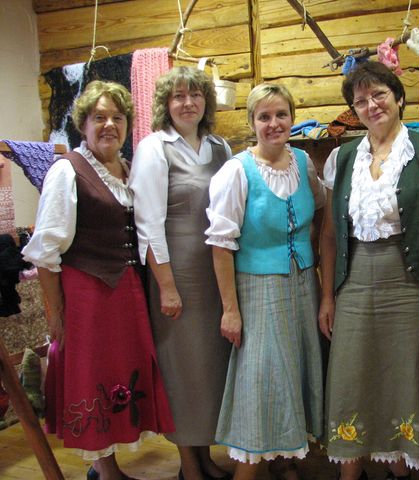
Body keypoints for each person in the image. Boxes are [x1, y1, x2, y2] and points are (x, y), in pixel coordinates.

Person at [22, 80, 174, 480]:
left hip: (126, 292)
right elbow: (46, 251)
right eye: (99, 117)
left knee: (118, 375)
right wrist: (56, 314)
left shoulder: (127, 169)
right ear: (83, 124)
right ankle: (106, 471)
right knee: (93, 376)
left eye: (118, 118)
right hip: (87, 294)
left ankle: (105, 467)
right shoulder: (66, 170)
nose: (109, 125)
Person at [318, 60, 419, 480]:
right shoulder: (341, 159)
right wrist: (327, 297)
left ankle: (401, 471)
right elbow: (329, 235)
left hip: (412, 284)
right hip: (355, 282)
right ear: (353, 111)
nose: (371, 105)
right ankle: (350, 474)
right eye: (360, 101)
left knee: (406, 379)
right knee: (350, 377)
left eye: (379, 94)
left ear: (399, 98)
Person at [206, 83, 325, 480]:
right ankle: (248, 471)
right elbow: (221, 245)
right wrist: (230, 310)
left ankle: (284, 458)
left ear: (292, 118)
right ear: (252, 123)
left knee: (293, 371)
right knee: (261, 377)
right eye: (264, 117)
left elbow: (319, 213)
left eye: (281, 115)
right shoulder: (236, 171)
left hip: (303, 284)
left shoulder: (303, 162)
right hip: (258, 287)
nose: (274, 123)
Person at [129, 66, 233, 480]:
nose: (188, 103)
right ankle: (189, 465)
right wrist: (167, 286)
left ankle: (205, 457)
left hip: (216, 278)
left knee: (209, 371)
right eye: (178, 96)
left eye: (195, 95)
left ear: (206, 100)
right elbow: (148, 224)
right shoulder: (154, 148)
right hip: (178, 278)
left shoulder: (220, 147)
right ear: (165, 104)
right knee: (182, 371)